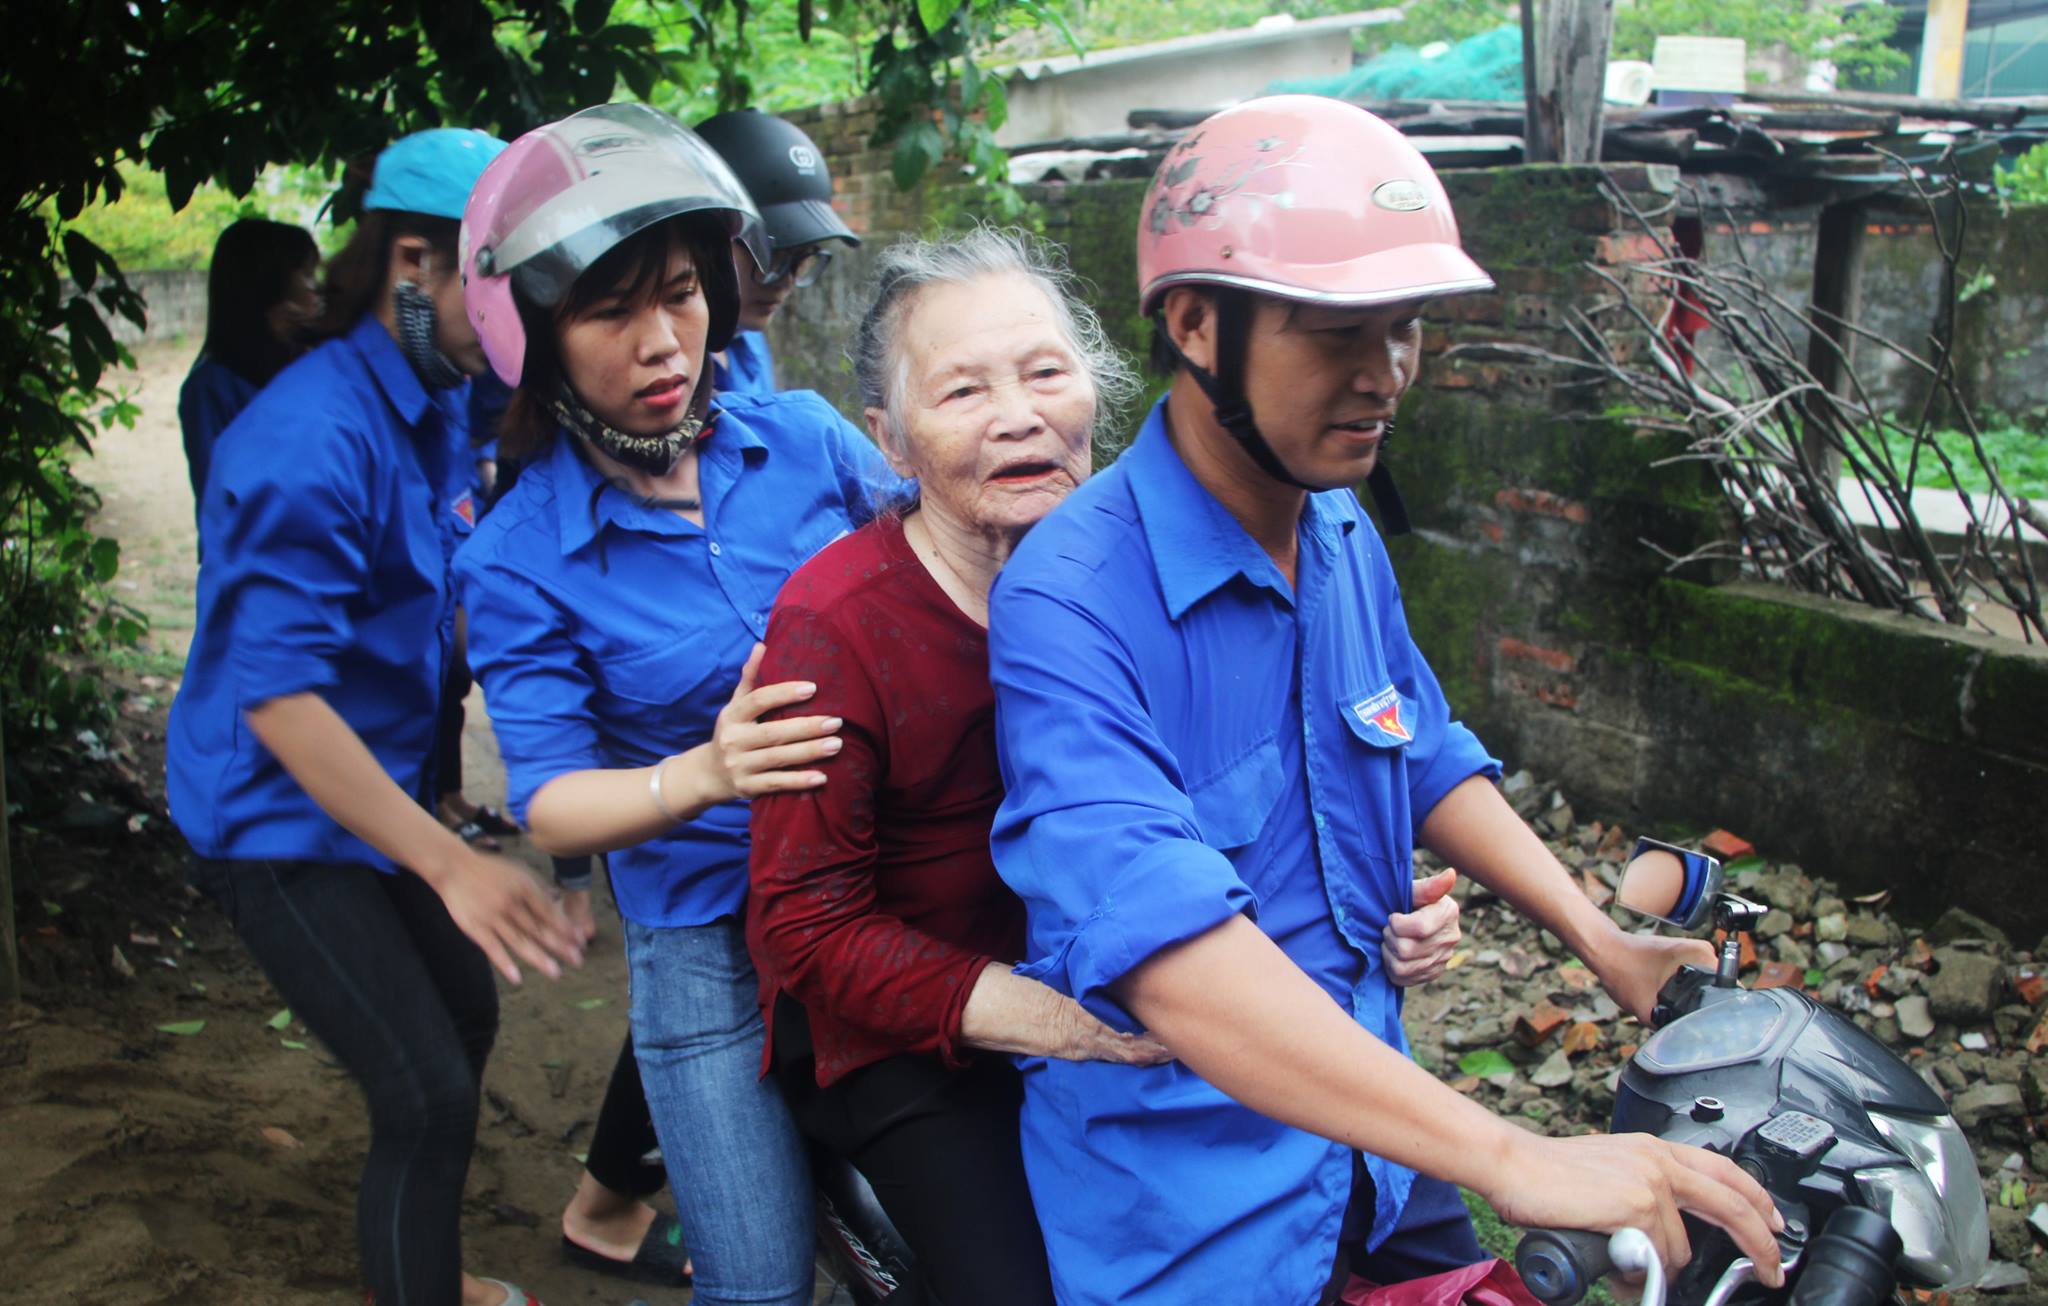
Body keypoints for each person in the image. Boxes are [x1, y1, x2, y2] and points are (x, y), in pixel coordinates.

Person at [984, 97, 1788, 1306]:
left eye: (1404, 330)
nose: (1384, 376)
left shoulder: (1340, 526)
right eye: (1337, 333)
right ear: (1196, 325)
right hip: (1198, 1208)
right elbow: (1165, 952)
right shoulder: (1069, 598)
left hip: (1379, 1148)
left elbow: (1417, 747)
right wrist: (1515, 1154)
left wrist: (1599, 937)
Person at [453, 103, 896, 1306]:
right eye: (609, 309)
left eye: (682, 294)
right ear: (534, 334)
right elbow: (548, 803)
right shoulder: (516, 557)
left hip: (890, 898)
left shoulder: (811, 445)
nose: (663, 342)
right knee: (756, 1283)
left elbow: (955, 581)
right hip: (707, 950)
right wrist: (702, 771)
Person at [166, 128, 583, 1306]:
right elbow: (281, 702)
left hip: (369, 795)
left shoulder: (435, 394)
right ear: (415, 263)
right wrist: (453, 861)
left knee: (458, 1012)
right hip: (275, 818)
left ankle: (423, 1265)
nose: (522, 320)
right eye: (507, 284)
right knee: (424, 1093)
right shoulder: (307, 441)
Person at [746, 228, 1171, 1306]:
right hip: (905, 1034)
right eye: (961, 391)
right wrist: (1056, 1022)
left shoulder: (1137, 572)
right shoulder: (836, 624)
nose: (1018, 415)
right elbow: (802, 924)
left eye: (1043, 372)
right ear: (889, 442)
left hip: (1104, 970)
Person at [695, 109, 860, 397]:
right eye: (772, 256)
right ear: (698, 241)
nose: (787, 281)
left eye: (803, 258)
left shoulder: (747, 340)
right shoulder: (665, 369)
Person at [178, 217, 321, 524]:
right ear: (268, 285)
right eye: (307, 275)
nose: (317, 289)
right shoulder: (210, 388)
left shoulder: (310, 365)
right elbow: (218, 502)